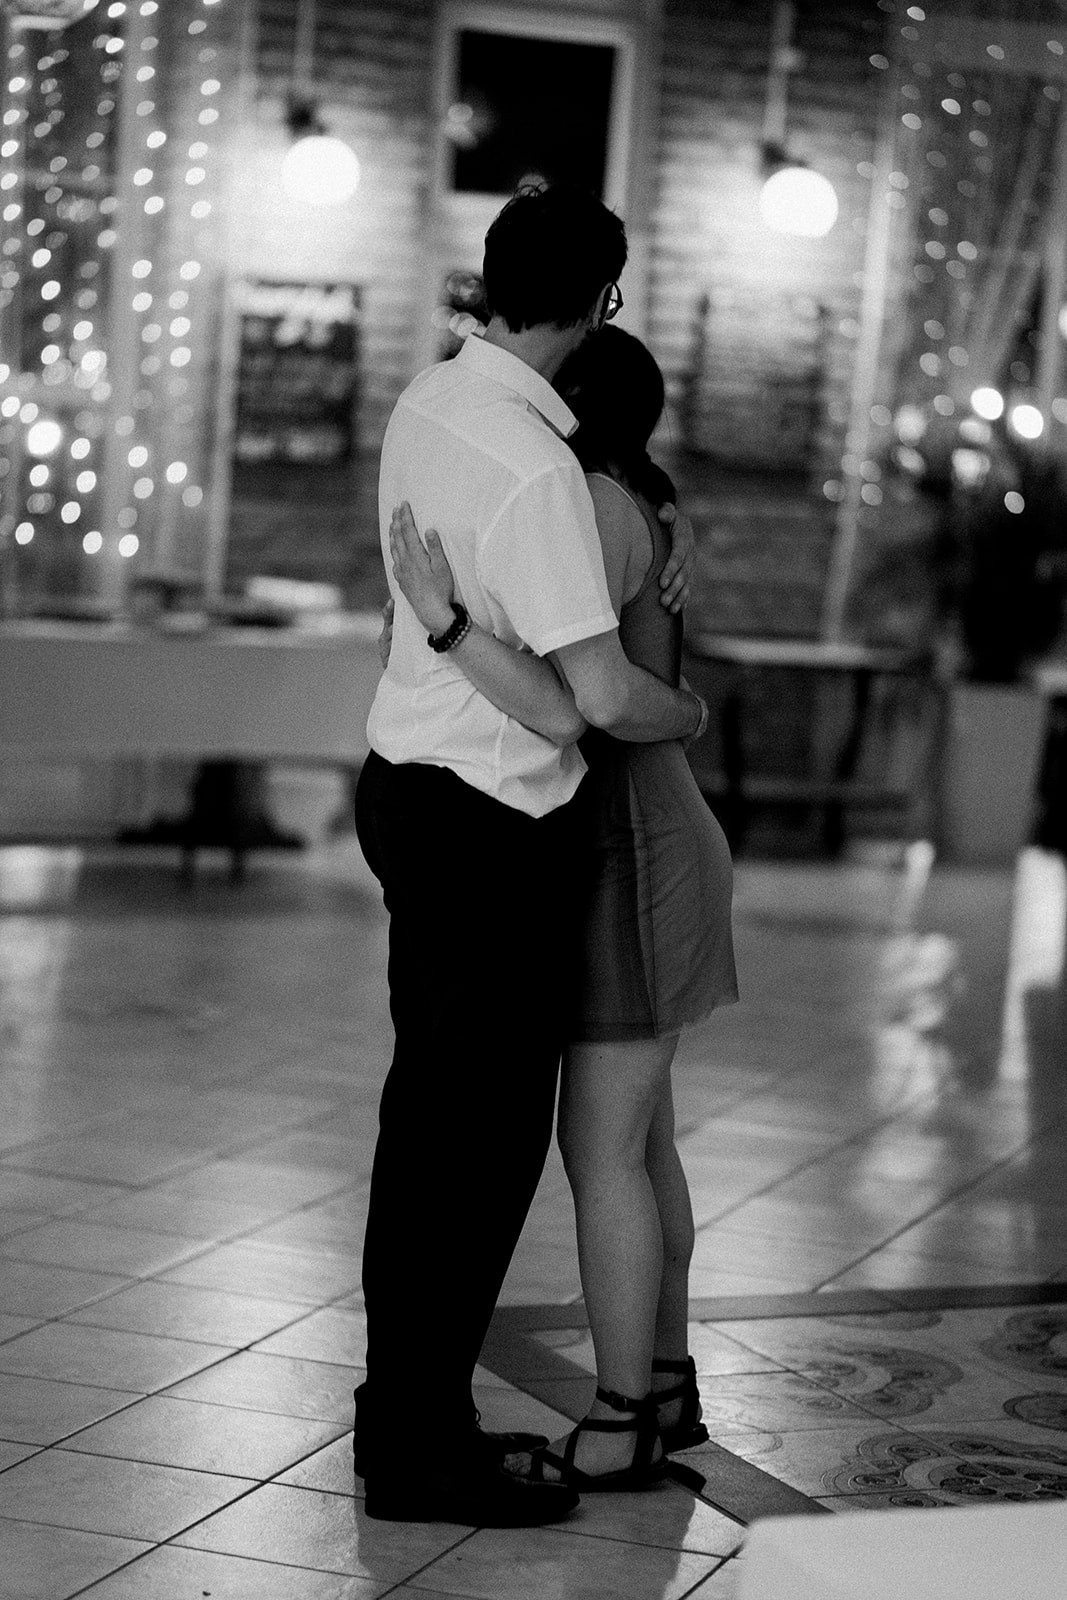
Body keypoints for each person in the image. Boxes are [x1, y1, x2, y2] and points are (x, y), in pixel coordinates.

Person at [353, 183, 708, 1528]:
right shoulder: (538, 469)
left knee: (428, 1136)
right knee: (475, 1153)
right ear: (603, 302)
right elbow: (588, 707)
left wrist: (451, 629)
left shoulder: (432, 401)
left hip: (409, 789)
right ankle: (419, 1450)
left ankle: (412, 1419)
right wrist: (692, 711)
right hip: (490, 828)